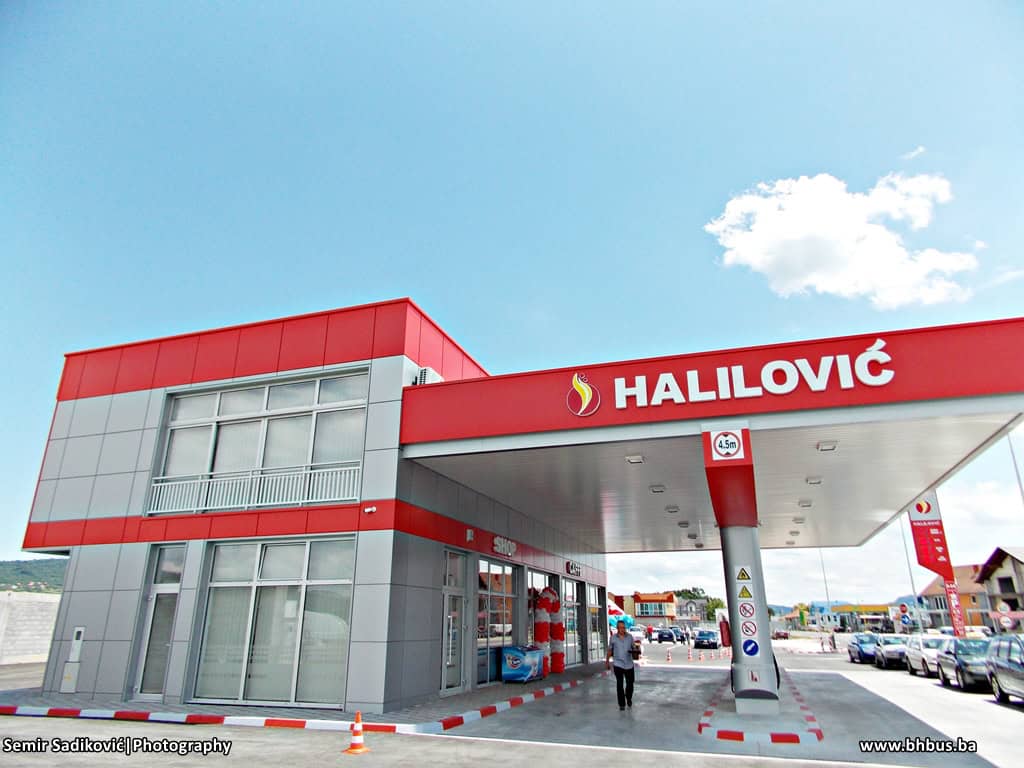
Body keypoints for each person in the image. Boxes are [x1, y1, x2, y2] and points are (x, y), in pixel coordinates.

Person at [606, 620, 636, 711]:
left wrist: (636, 651)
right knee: (619, 684)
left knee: (630, 684)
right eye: (621, 628)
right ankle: (621, 704)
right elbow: (610, 650)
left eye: (624, 627)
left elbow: (634, 647)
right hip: (618, 664)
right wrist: (607, 661)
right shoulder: (613, 638)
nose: (623, 629)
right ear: (617, 628)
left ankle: (628, 697)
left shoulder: (630, 637)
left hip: (629, 664)